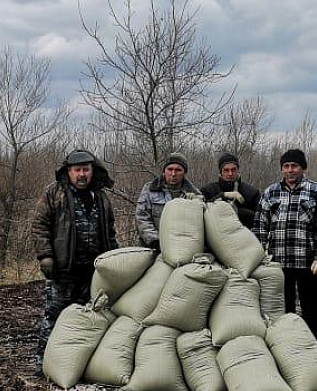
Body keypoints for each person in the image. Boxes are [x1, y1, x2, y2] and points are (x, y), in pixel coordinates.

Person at [32, 150, 119, 360]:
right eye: (77, 170)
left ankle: (74, 361)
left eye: (86, 170)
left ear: (92, 171)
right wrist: (46, 256)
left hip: (93, 271)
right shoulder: (54, 193)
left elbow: (109, 230)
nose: (82, 175)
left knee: (88, 318)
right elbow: (39, 225)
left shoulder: (100, 196)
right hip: (63, 269)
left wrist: (116, 260)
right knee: (54, 316)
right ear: (68, 172)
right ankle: (43, 360)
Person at [254, 148, 317, 343]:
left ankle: (315, 346)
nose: (290, 170)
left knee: (312, 309)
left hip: (308, 263)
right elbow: (260, 228)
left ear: (303, 168)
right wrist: (259, 258)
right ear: (282, 169)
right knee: (282, 309)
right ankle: (286, 347)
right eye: (286, 166)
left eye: (294, 166)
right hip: (278, 263)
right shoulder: (270, 192)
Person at [135, 152, 198, 249]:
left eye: (178, 170)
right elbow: (142, 217)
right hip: (152, 246)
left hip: (182, 247)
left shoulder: (193, 194)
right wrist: (155, 241)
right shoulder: (150, 189)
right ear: (164, 171)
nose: (173, 174)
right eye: (170, 169)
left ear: (184, 173)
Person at [200, 152, 260, 228]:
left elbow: (261, 219)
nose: (230, 173)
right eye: (226, 170)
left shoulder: (252, 193)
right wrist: (223, 195)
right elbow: (201, 210)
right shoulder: (209, 190)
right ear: (221, 172)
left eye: (233, 169)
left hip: (244, 236)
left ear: (238, 170)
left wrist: (239, 212)